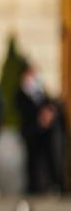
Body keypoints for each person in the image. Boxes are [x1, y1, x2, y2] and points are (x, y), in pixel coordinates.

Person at [15, 62, 67, 195]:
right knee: (32, 160)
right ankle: (34, 187)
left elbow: (50, 104)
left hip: (45, 132)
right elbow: (23, 111)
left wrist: (49, 114)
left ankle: (50, 184)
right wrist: (39, 119)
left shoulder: (40, 92)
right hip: (31, 131)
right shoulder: (21, 93)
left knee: (48, 159)